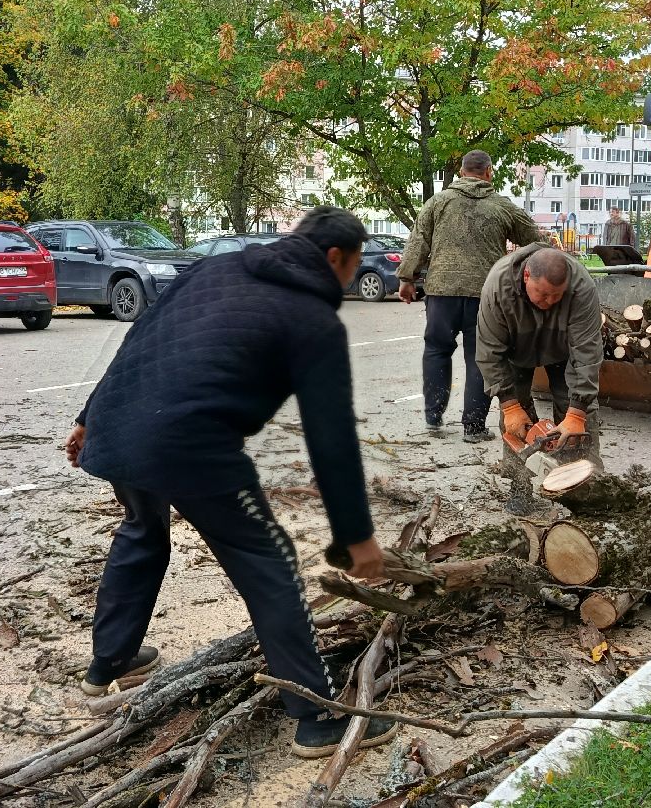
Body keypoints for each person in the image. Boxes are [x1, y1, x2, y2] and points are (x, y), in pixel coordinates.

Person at [63, 206, 395, 759]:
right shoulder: (313, 320)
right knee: (269, 563)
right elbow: (330, 437)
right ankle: (316, 716)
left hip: (121, 427)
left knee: (141, 534)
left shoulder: (219, 267)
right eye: (354, 264)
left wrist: (91, 414)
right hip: (190, 445)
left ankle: (109, 665)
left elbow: (142, 335)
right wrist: (357, 537)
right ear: (336, 258)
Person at [396, 150, 541, 442]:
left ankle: (433, 417)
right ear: (489, 173)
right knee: (481, 359)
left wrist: (406, 278)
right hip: (486, 296)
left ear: (462, 173)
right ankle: (473, 427)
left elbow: (418, 240)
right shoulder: (503, 207)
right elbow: (534, 241)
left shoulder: (438, 202)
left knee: (437, 350)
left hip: (441, 292)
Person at [475, 245, 605, 466]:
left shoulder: (581, 287)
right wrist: (509, 406)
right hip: (515, 352)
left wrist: (577, 414)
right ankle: (519, 484)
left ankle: (588, 482)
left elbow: (587, 352)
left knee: (578, 419)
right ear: (526, 276)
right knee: (516, 420)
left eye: (557, 295)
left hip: (564, 353)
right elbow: (489, 351)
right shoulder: (498, 287)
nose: (550, 301)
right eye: (543, 294)